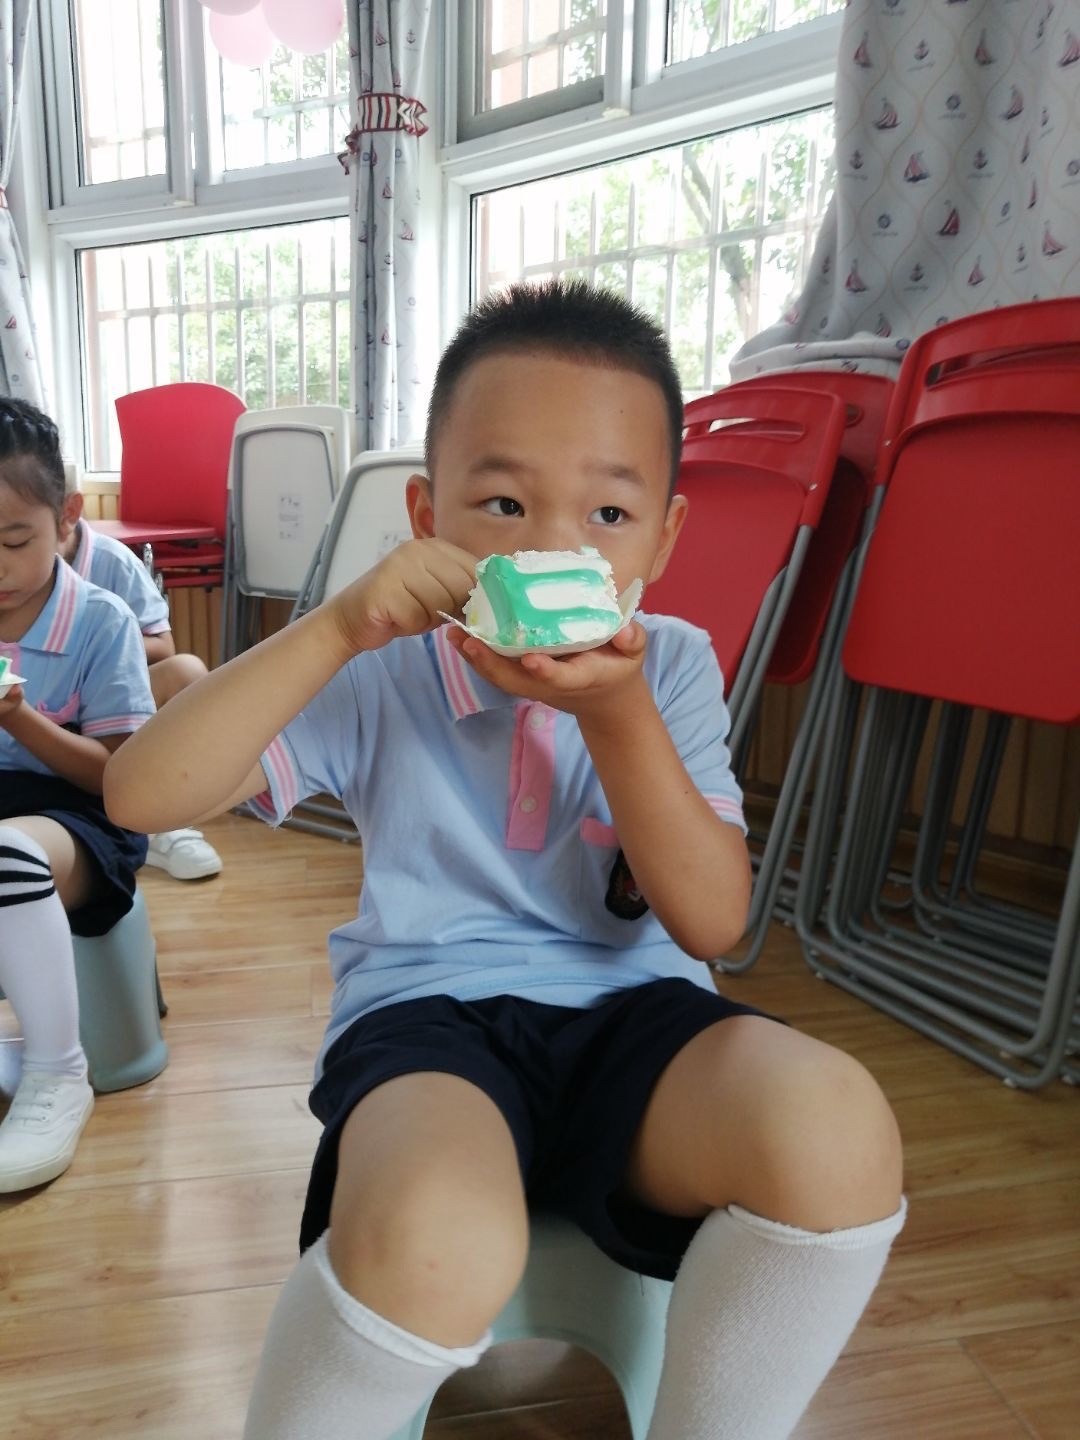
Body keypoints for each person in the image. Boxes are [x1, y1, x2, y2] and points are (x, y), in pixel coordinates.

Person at [105, 281, 905, 1440]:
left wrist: (617, 713)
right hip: (427, 1019)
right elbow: (140, 795)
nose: (551, 547)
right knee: (437, 1235)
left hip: (642, 1019)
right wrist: (337, 626)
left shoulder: (674, 665)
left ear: (666, 537)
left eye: (609, 514)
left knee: (836, 1128)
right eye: (502, 502)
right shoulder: (381, 666)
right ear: (427, 517)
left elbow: (711, 922)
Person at [0, 397, 155, 1191]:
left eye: (11, 541)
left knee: (6, 856)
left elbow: (123, 780)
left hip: (83, 817)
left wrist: (19, 718)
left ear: (66, 520)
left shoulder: (100, 621)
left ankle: (58, 1071)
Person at [58, 479, 223, 881]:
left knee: (187, 672)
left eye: (16, 539)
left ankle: (163, 821)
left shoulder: (113, 561)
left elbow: (163, 647)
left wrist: (96, 649)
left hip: (105, 698)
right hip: (36, 708)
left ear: (67, 515)